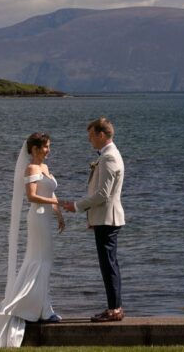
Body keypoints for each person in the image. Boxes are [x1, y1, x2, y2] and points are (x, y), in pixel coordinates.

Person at [0, 132, 65, 348]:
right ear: (35, 149)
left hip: (46, 217)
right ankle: (40, 310)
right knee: (39, 261)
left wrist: (58, 213)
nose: (49, 150)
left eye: (49, 146)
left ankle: (43, 307)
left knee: (45, 262)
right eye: (46, 146)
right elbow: (32, 196)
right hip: (37, 218)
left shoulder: (45, 168)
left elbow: (49, 193)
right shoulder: (32, 169)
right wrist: (57, 203)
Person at [60, 117, 125, 322]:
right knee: (109, 264)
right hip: (104, 218)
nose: (89, 140)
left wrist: (77, 206)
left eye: (91, 136)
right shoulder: (108, 155)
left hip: (108, 219)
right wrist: (91, 216)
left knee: (109, 265)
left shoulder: (108, 157)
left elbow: (103, 194)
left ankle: (115, 310)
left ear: (102, 135)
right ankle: (114, 308)